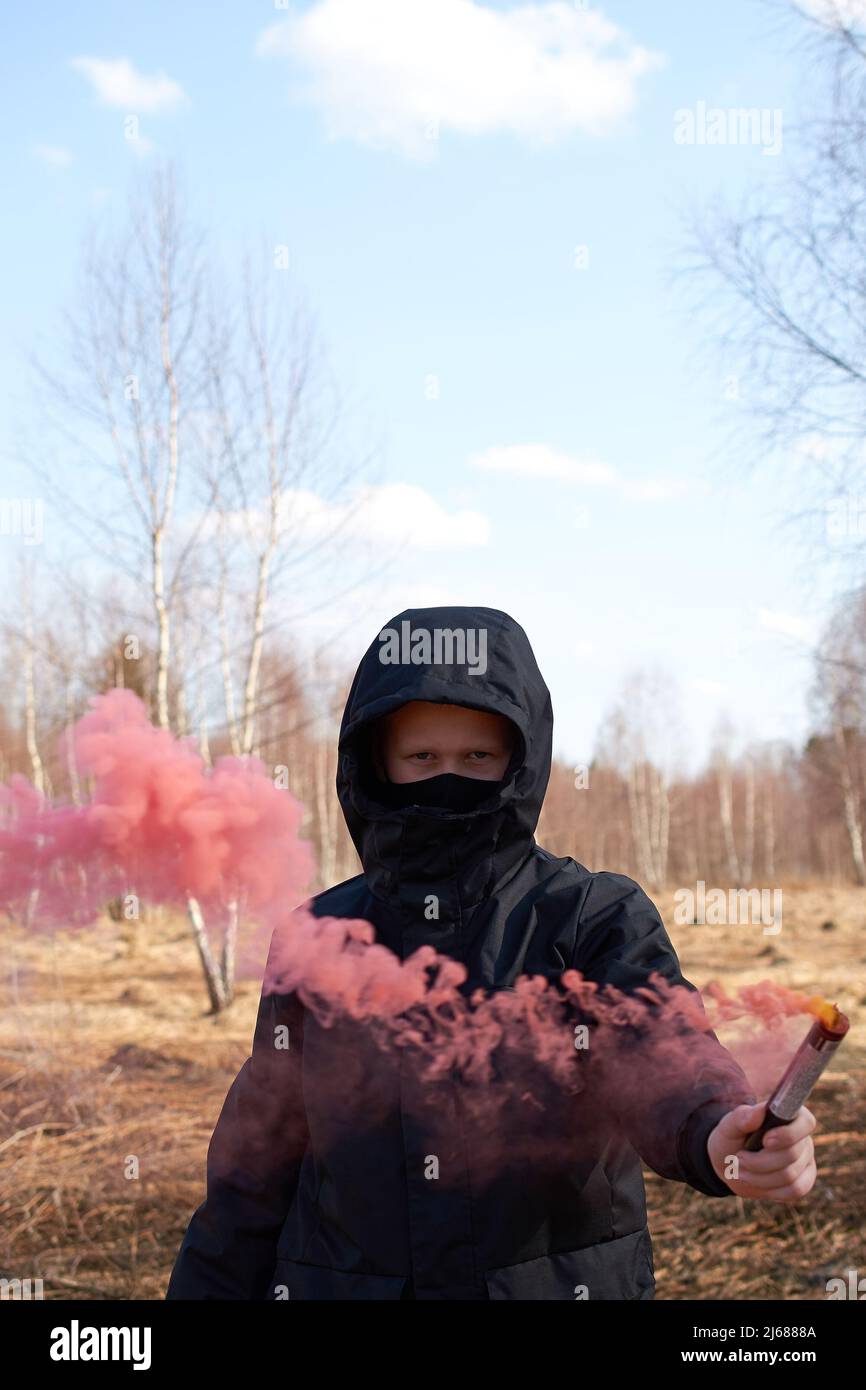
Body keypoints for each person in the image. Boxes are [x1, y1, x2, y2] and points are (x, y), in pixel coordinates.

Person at [165, 604, 817, 1301]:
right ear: (376, 763)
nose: (449, 777)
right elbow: (251, 1174)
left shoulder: (591, 916)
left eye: (477, 757)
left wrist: (715, 1125)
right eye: (422, 758)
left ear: (520, 758)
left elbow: (662, 1048)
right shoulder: (319, 934)